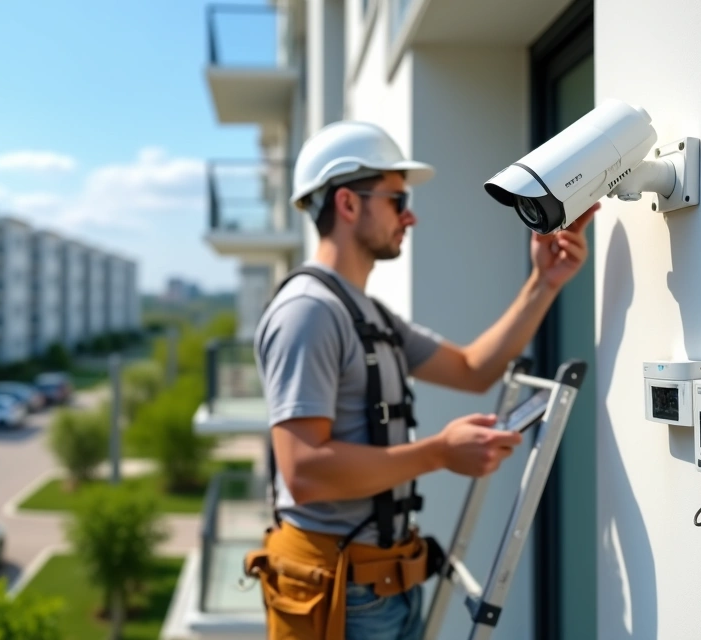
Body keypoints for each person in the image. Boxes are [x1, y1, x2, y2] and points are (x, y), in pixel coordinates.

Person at [243, 120, 598, 640]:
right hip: (344, 594)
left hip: (385, 586)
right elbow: (304, 472)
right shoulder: (309, 313)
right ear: (348, 204)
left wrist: (544, 282)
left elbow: (473, 369)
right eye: (397, 199)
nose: (410, 215)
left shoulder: (367, 314)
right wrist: (440, 452)